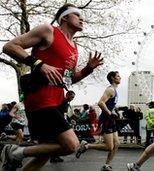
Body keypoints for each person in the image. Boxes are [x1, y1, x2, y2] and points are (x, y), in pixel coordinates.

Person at [0, 3, 104, 171]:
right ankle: (13, 153)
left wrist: (87, 69)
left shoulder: (74, 47)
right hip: (40, 99)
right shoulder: (48, 31)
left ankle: (16, 154)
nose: (82, 18)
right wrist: (39, 64)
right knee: (71, 145)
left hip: (55, 101)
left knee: (44, 153)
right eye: (77, 15)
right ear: (64, 17)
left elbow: (67, 79)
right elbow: (10, 46)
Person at [75, 71, 121, 171]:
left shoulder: (115, 90)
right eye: (118, 76)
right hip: (106, 119)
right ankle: (87, 145)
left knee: (117, 144)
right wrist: (109, 112)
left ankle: (106, 165)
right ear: (113, 78)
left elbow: (109, 104)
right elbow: (101, 103)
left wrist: (114, 112)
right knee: (109, 147)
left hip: (111, 119)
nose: (120, 78)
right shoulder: (110, 90)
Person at [50, 90, 75, 163]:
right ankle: (53, 156)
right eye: (72, 97)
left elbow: (64, 114)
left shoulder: (65, 102)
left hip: (59, 122)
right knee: (58, 140)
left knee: (57, 140)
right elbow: (60, 113)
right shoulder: (62, 101)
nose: (72, 98)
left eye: (73, 98)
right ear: (67, 95)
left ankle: (54, 157)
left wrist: (70, 120)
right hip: (58, 123)